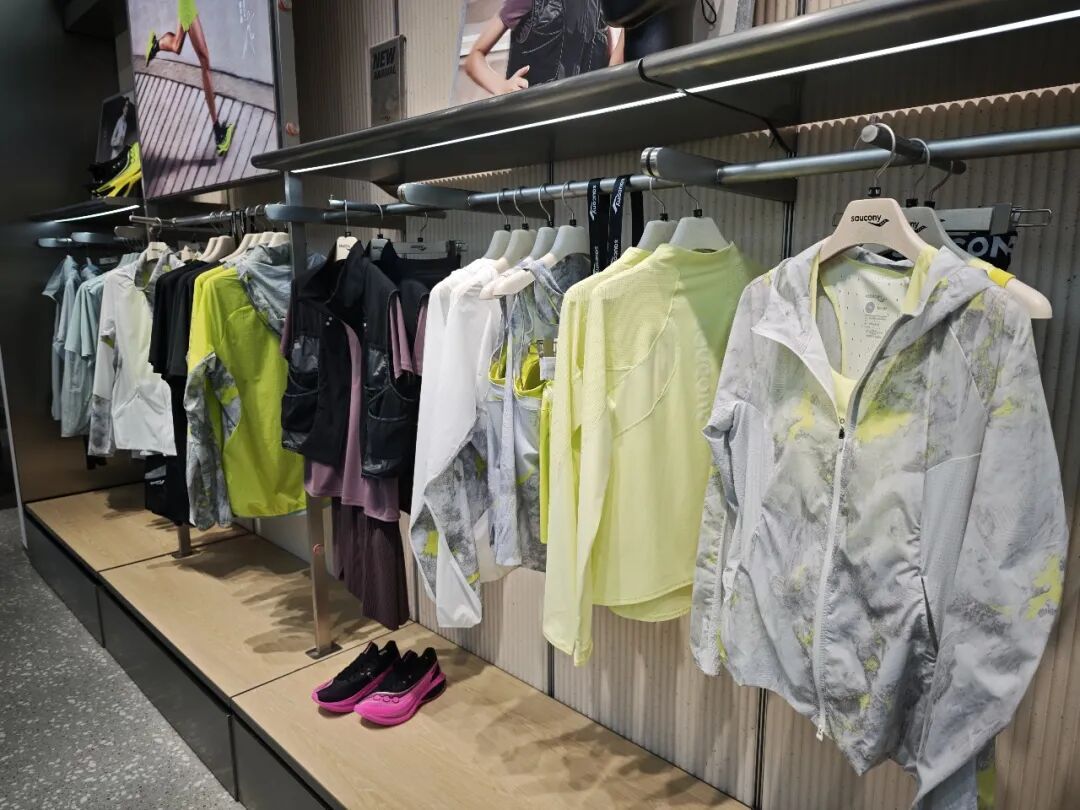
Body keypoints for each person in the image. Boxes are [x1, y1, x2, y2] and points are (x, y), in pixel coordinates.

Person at [465, 0, 624, 96]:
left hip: (583, 118)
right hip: (535, 116)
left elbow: (611, 69)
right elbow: (474, 58)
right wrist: (501, 86)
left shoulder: (604, 7)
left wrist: (629, 25)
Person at [144, 0, 235, 157]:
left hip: (186, 3)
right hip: (186, 3)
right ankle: (219, 133)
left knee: (177, 46)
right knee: (204, 60)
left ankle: (156, 46)